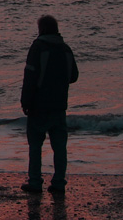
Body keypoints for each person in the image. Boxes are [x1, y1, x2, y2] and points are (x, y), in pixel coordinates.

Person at [20, 15, 79, 194]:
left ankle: (35, 182)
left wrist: (25, 101)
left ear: (41, 29)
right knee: (60, 147)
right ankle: (59, 182)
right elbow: (74, 76)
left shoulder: (38, 47)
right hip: (60, 106)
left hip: (39, 105)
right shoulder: (66, 49)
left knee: (36, 145)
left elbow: (29, 77)